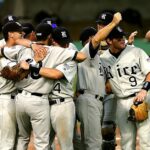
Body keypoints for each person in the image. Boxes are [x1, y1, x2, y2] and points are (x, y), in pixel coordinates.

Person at [1, 22, 86, 150]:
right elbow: (82, 56)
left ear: (36, 36)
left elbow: (3, 50)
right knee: (42, 143)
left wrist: (30, 46)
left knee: (22, 138)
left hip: (20, 98)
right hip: (38, 101)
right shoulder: (55, 51)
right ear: (50, 38)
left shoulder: (23, 49)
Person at [75, 12, 122, 150]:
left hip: (94, 100)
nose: (99, 27)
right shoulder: (88, 50)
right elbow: (96, 40)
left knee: (89, 142)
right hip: (89, 99)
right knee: (94, 144)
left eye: (103, 25)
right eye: (99, 25)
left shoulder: (100, 55)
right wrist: (113, 23)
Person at [100, 26, 150, 150]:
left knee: (145, 140)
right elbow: (106, 84)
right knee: (127, 142)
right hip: (121, 102)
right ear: (109, 41)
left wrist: (144, 90)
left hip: (141, 98)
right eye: (118, 38)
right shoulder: (103, 59)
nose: (122, 39)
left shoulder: (136, 52)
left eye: (123, 36)